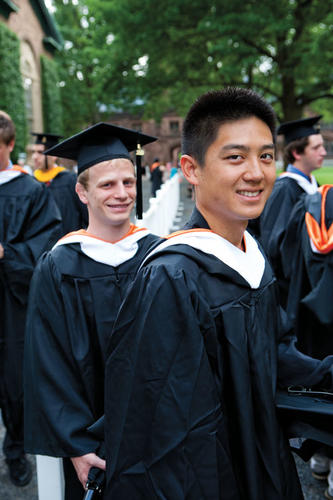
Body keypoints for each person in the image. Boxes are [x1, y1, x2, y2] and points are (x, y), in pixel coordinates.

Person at [103, 88, 333, 500]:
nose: (257, 172)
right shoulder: (172, 278)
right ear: (190, 169)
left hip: (264, 462)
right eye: (235, 157)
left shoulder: (252, 257)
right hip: (209, 480)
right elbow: (167, 430)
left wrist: (323, 374)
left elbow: (272, 351)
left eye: (265, 156)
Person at [24, 122, 160, 500]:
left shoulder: (162, 257)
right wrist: (77, 446)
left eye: (128, 182)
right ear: (81, 192)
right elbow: (48, 363)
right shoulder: (58, 266)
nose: (121, 194)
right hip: (94, 447)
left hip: (163, 432)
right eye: (107, 184)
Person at [0, 111, 61, 487]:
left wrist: (7, 254)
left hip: (12, 305)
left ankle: (15, 450)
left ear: (9, 146)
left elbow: (46, 246)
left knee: (15, 383)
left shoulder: (30, 191)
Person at [281, 184, 333, 498]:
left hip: (310, 320)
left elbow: (283, 256)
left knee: (320, 390)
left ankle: (321, 458)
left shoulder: (310, 205)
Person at [259, 115, 327, 306]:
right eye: (316, 147)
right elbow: (274, 246)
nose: (323, 152)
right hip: (292, 294)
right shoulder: (284, 190)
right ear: (297, 152)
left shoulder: (314, 186)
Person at [32, 132, 88, 235]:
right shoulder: (32, 182)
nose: (35, 156)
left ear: (53, 156)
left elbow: (86, 216)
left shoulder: (70, 180)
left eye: (40, 152)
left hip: (69, 244)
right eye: (33, 152)